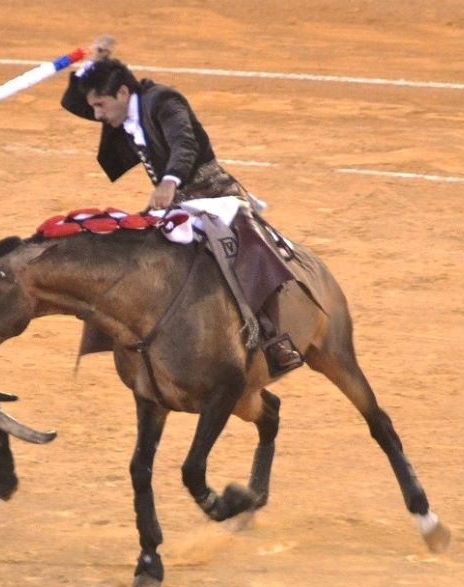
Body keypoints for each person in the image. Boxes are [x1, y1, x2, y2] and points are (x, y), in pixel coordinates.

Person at [61, 36, 303, 373]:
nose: (97, 115)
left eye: (101, 105)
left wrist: (170, 179)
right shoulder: (120, 109)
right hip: (173, 201)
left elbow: (184, 143)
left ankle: (274, 338)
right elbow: (74, 103)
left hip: (214, 193)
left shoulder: (163, 101)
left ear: (122, 94)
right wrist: (92, 64)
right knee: (130, 250)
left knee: (247, 253)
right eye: (95, 108)